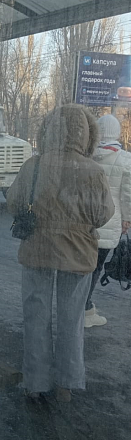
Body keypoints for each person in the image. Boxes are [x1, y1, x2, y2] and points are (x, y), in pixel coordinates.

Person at [6, 105, 114, 403]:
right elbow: (103, 214)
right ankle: (66, 384)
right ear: (87, 134)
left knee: (36, 316)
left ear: (47, 130)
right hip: (78, 253)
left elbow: (14, 202)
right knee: (72, 319)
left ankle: (35, 382)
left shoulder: (34, 165)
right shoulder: (93, 170)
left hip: (37, 249)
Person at [85, 114, 131, 327]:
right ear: (117, 133)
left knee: (81, 264)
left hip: (84, 219)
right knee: (96, 265)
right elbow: (127, 194)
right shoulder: (125, 159)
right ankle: (85, 309)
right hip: (110, 219)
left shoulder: (86, 156)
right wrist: (127, 219)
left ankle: (78, 304)